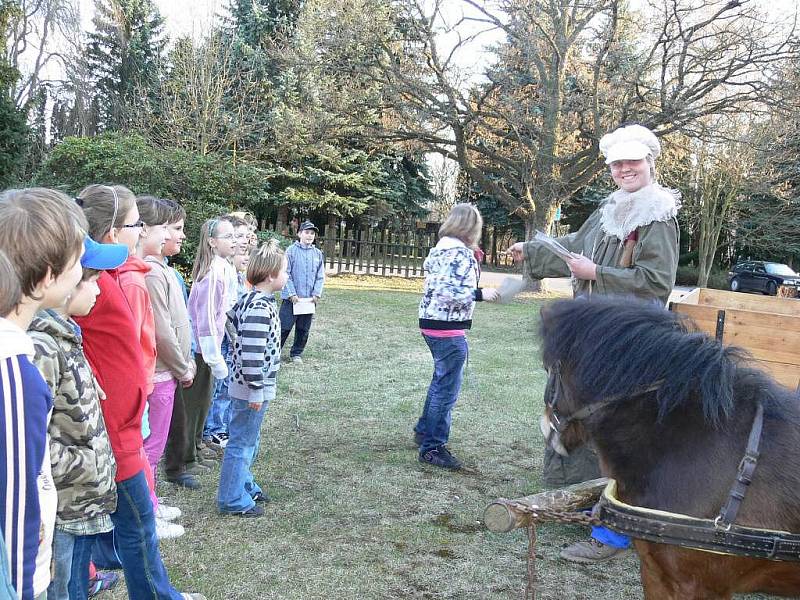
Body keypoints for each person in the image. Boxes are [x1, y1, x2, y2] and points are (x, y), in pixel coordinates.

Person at [508, 123, 680, 563]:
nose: (625, 169)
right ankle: (572, 502)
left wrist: (596, 275)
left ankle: (613, 534)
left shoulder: (658, 217)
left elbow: (655, 284)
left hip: (629, 344)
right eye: (618, 163)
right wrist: (532, 249)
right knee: (571, 413)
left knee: (619, 434)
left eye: (632, 162)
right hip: (594, 335)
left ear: (649, 163)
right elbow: (573, 247)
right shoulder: (610, 209)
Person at [73, 184, 205, 600]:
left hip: (120, 429)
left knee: (111, 529)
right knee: (137, 526)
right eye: (137, 224)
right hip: (115, 433)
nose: (142, 230)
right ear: (113, 232)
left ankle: (105, 569)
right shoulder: (101, 282)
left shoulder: (112, 275)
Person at [28, 236, 128, 600]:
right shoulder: (40, 346)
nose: (100, 289)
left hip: (81, 502)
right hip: (64, 506)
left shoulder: (66, 335)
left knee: (75, 586)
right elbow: (31, 440)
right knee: (63, 588)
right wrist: (86, 464)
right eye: (92, 278)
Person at [0, 188, 87, 600]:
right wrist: (26, 584)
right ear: (49, 275)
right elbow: (14, 501)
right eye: (78, 261)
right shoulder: (14, 375)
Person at [414, 203, 498, 470]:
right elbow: (446, 291)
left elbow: (443, 285)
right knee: (446, 389)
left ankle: (423, 431)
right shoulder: (459, 254)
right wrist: (480, 294)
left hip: (432, 324)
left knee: (440, 381)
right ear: (471, 227)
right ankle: (432, 447)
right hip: (446, 328)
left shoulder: (441, 250)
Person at [217, 240, 287, 517]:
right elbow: (252, 354)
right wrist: (256, 388)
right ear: (271, 275)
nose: (287, 276)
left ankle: (244, 484)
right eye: (285, 271)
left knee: (248, 439)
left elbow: (231, 319)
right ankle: (232, 499)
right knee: (242, 443)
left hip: (247, 386)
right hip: (251, 390)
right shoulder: (259, 307)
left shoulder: (253, 299)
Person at [139, 196, 194, 538]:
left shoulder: (163, 271)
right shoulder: (151, 275)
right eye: (174, 229)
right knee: (152, 447)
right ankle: (147, 513)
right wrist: (182, 366)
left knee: (155, 446)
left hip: (167, 373)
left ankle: (152, 503)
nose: (179, 236)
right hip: (160, 373)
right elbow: (160, 329)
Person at [182, 217, 237, 478]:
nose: (234, 241)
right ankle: (186, 454)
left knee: (204, 401)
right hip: (201, 349)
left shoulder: (224, 268)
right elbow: (204, 321)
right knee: (194, 404)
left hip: (210, 346)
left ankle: (196, 445)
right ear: (212, 242)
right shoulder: (212, 273)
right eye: (227, 236)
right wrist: (214, 358)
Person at [280, 220, 325, 364]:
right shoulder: (291, 251)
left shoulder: (318, 253)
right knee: (284, 327)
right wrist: (291, 293)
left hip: (308, 301)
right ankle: (274, 351)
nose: (309, 236)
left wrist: (316, 294)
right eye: (306, 232)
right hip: (291, 299)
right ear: (299, 233)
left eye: (312, 233)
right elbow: (286, 273)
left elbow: (320, 275)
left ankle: (296, 353)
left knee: (303, 329)